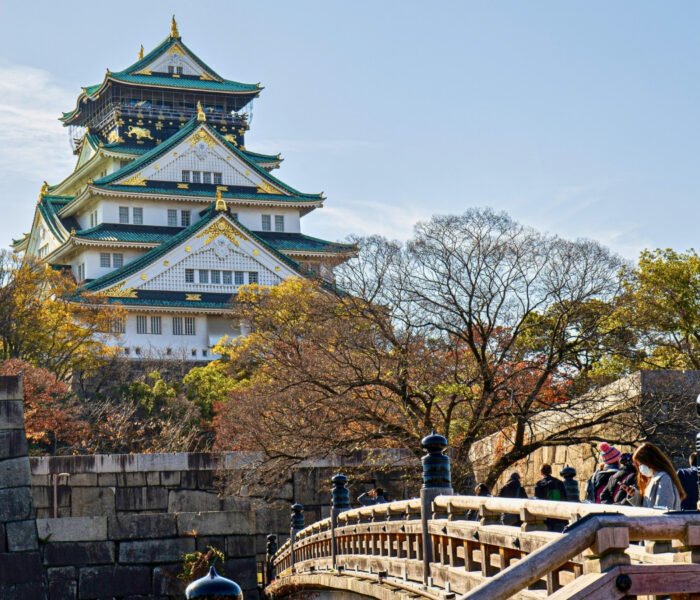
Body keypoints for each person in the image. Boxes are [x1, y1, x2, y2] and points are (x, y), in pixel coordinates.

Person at [623, 442, 685, 510]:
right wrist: (635, 495)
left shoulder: (664, 479)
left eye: (641, 464)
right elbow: (647, 505)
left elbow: (663, 510)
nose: (640, 468)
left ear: (650, 461)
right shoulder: (654, 478)